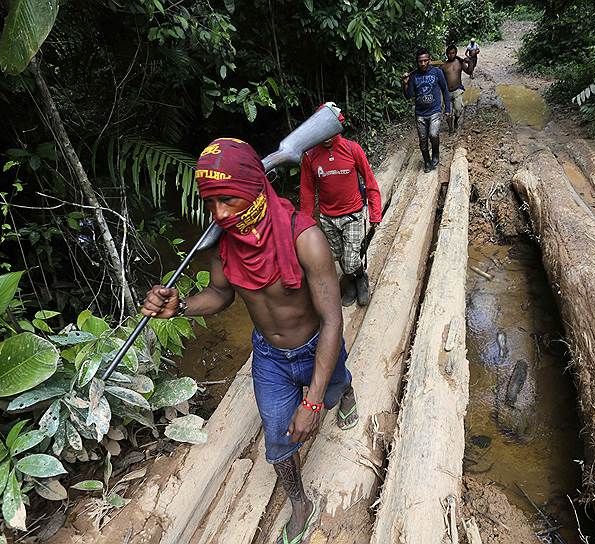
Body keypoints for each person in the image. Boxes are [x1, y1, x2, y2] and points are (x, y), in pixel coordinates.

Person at [141, 138, 359, 544]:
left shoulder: (304, 237)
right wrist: (180, 305)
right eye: (211, 203)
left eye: (228, 200)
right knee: (279, 437)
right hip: (269, 357)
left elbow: (332, 321)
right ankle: (299, 502)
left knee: (333, 388)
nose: (219, 213)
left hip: (316, 343)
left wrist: (311, 404)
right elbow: (221, 294)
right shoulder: (225, 243)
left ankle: (343, 393)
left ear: (253, 188)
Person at [300, 109, 382, 308]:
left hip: (353, 213)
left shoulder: (352, 149)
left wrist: (375, 212)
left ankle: (361, 279)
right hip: (328, 217)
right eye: (322, 130)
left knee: (351, 258)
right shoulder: (310, 156)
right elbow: (307, 191)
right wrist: (304, 224)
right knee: (338, 255)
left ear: (338, 126)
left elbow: (370, 181)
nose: (326, 136)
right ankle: (352, 283)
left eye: (330, 130)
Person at [402, 47, 451, 173]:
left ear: (430, 60)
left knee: (433, 135)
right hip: (420, 114)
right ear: (417, 62)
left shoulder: (437, 72)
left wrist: (448, 109)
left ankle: (435, 154)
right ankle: (427, 162)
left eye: (425, 60)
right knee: (423, 141)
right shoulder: (413, 76)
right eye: (420, 61)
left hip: (434, 111)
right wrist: (406, 84)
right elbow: (408, 96)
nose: (423, 64)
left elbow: (445, 90)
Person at [441, 45, 467, 133]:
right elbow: (440, 80)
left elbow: (469, 71)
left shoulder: (460, 63)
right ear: (446, 54)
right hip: (447, 92)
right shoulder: (443, 66)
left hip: (457, 90)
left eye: (453, 53)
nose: (451, 55)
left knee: (458, 109)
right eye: (449, 53)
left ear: (455, 53)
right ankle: (450, 128)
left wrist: (470, 62)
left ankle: (456, 120)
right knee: (447, 112)